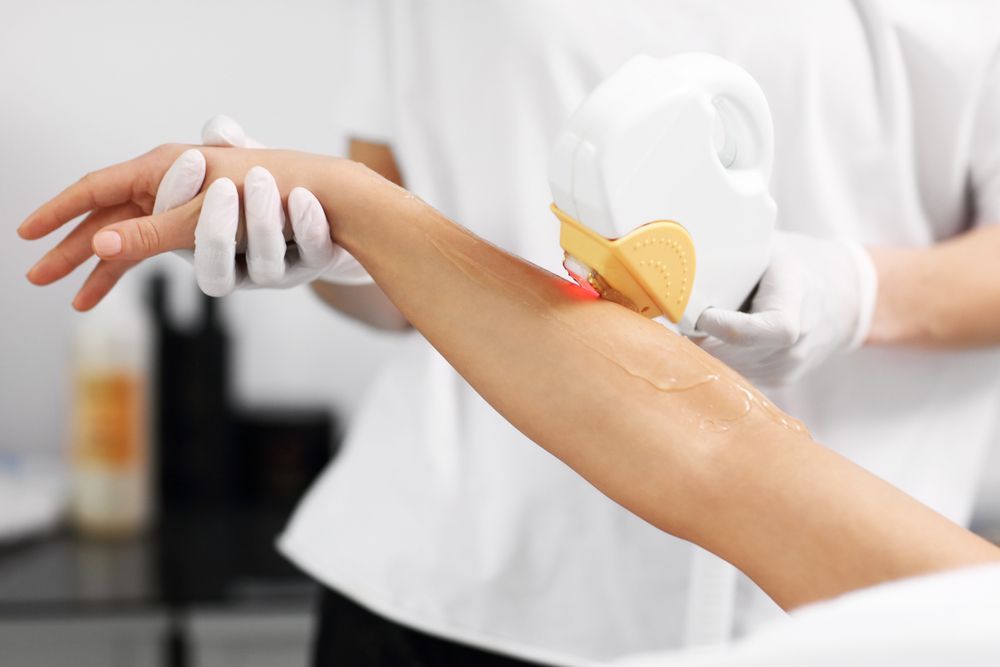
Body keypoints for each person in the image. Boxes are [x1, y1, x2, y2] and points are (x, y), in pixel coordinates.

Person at [21, 1, 1000, 663]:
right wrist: (341, 246)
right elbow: (392, 212)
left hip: (849, 594)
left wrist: (861, 292)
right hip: (451, 580)